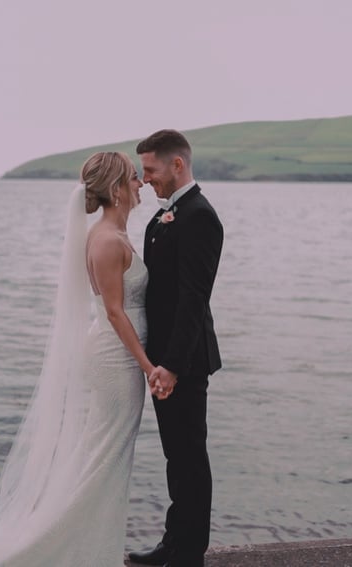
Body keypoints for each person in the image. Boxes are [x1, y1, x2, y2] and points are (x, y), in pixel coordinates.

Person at [0, 151, 158, 566]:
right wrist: (149, 367)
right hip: (116, 360)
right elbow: (115, 312)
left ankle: (93, 548)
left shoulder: (114, 234)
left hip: (121, 357)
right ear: (117, 188)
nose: (140, 184)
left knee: (105, 456)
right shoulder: (106, 241)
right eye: (134, 178)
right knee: (105, 458)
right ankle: (60, 550)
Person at [129, 130, 224, 567]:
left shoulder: (200, 216)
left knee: (190, 456)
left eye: (150, 169)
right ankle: (173, 541)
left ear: (177, 164)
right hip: (163, 358)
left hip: (183, 361)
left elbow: (193, 299)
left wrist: (170, 365)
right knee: (176, 456)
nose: (146, 178)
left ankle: (190, 554)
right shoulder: (164, 216)